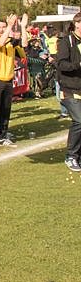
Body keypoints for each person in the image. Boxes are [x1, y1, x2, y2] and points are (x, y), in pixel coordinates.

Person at [0, 14, 27, 148]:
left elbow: (24, 44)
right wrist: (9, 25)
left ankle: (3, 135)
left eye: (4, 26)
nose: (2, 29)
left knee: (5, 109)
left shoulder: (10, 41)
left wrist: (23, 27)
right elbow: (0, 42)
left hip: (8, 79)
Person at [56, 12, 81, 172]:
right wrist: (78, 64)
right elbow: (62, 64)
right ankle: (71, 155)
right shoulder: (67, 42)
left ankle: (78, 156)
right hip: (69, 89)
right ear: (76, 25)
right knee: (80, 121)